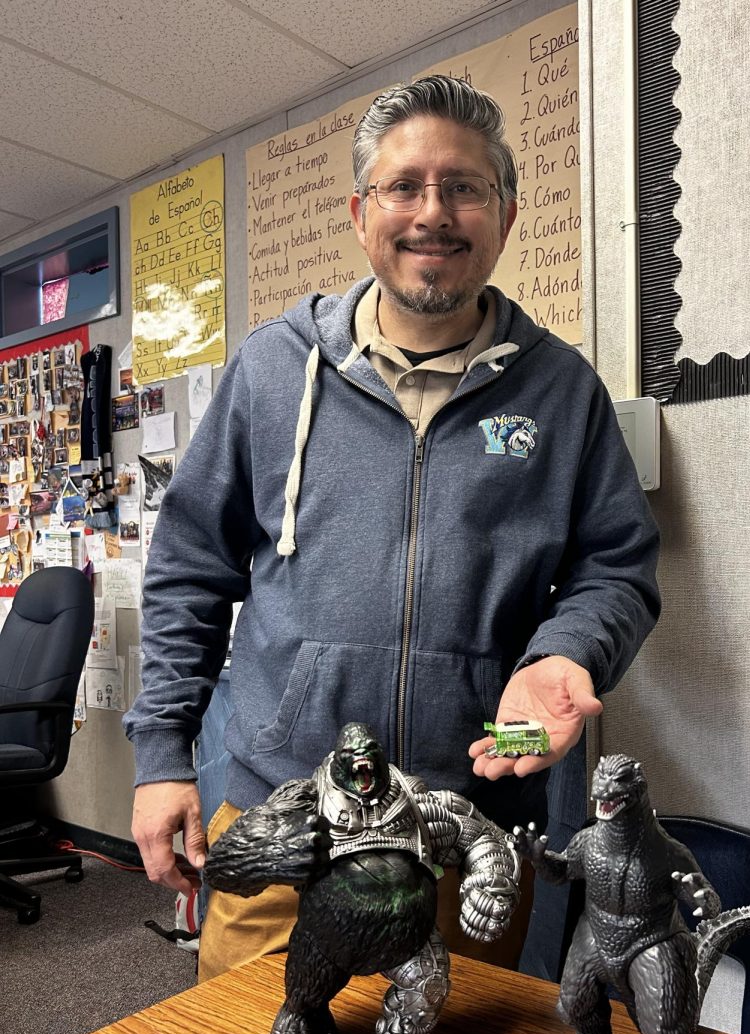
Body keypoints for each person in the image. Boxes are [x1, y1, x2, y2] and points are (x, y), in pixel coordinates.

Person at [124, 75, 660, 983]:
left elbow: (618, 567)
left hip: (471, 827)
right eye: (405, 186)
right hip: (283, 817)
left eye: (464, 187)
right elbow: (188, 570)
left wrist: (567, 652)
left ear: (507, 212)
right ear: (360, 211)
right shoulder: (270, 370)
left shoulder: (562, 391)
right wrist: (161, 755)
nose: (433, 214)